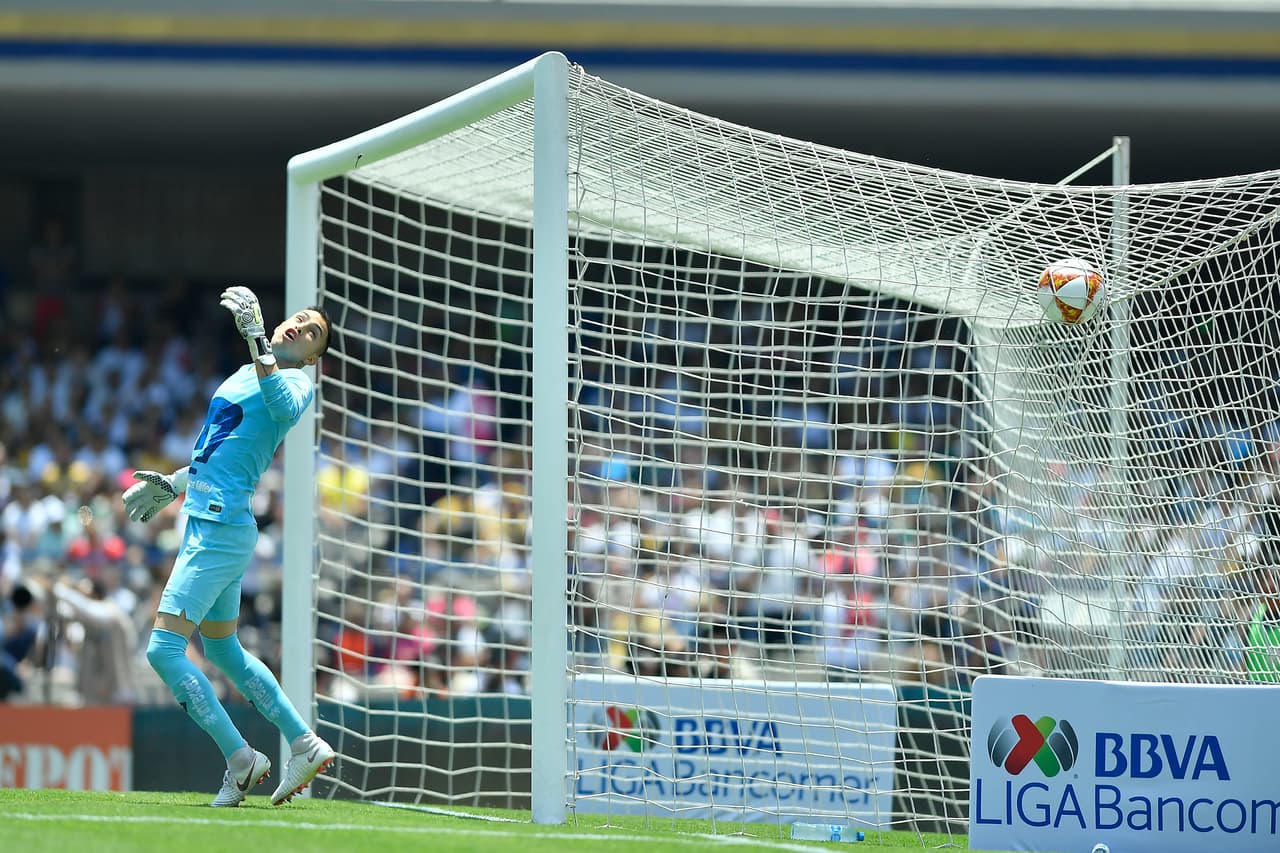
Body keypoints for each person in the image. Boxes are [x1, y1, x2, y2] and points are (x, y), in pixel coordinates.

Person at [123, 286, 336, 807]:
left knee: (163, 649)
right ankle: (304, 743)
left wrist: (259, 338)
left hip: (218, 529)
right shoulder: (247, 373)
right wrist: (174, 483)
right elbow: (220, 450)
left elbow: (282, 406)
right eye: (300, 319)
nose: (300, 327)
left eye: (312, 333)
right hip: (214, 518)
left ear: (311, 357)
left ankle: (241, 759)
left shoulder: (296, 381)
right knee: (221, 648)